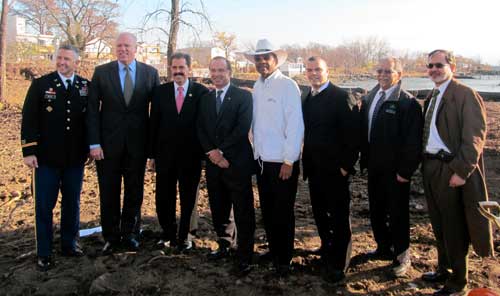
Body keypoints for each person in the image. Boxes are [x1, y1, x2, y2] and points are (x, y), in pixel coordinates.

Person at [421, 49, 494, 295]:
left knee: (454, 227)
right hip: (431, 167)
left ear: (452, 66)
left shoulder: (465, 94)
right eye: (430, 66)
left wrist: (462, 171)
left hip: (450, 169)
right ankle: (443, 269)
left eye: (439, 65)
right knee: (439, 223)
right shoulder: (434, 94)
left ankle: (458, 282)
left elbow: (475, 137)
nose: (434, 70)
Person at [87, 32, 160, 254]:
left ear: (136, 48)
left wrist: (153, 149)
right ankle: (110, 235)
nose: (123, 49)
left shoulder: (150, 73)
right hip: (107, 147)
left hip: (137, 146)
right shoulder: (101, 73)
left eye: (127, 45)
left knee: (134, 191)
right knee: (108, 191)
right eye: (119, 46)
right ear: (114, 48)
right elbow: (91, 110)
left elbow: (155, 114)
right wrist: (94, 143)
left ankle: (130, 234)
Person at [21, 44, 89, 270]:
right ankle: (44, 251)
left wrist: (91, 147)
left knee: (72, 203)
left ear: (76, 62)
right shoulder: (42, 85)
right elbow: (29, 118)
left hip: (74, 159)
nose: (62, 62)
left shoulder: (84, 86)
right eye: (59, 58)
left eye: (67, 59)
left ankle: (69, 244)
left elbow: (90, 121)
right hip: (46, 159)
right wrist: (29, 151)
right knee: (44, 206)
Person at [243, 39, 304, 276]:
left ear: (275, 60)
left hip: (282, 162)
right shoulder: (258, 86)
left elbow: (295, 125)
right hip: (262, 160)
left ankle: (285, 257)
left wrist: (290, 160)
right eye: (258, 59)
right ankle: (274, 249)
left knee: (283, 211)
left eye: (266, 58)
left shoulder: (288, 86)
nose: (261, 62)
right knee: (267, 209)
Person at [359, 57, 423, 277]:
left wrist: (405, 171)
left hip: (396, 172)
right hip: (374, 168)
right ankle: (383, 248)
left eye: (389, 71)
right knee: (377, 210)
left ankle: (402, 256)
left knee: (397, 214)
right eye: (380, 70)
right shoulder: (370, 97)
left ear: (399, 74)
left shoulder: (407, 103)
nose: (383, 75)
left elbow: (413, 142)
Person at [302, 56, 360, 282]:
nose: (313, 73)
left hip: (336, 171)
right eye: (309, 70)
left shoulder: (342, 96)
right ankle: (327, 248)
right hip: (314, 170)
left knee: (339, 216)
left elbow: (353, 136)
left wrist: (346, 167)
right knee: (320, 214)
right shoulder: (306, 96)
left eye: (318, 69)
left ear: (328, 71)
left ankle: (341, 262)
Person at [197, 56, 255, 276]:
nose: (217, 74)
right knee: (219, 206)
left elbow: (242, 127)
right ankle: (224, 244)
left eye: (221, 70)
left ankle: (245, 254)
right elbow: (200, 128)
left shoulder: (242, 96)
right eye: (213, 70)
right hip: (213, 163)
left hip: (237, 162)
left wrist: (222, 151)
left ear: (230, 72)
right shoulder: (205, 98)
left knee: (243, 209)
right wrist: (212, 153)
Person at [149, 52, 209, 251]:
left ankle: (184, 236)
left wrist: (203, 156)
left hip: (190, 157)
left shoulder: (201, 92)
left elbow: (204, 126)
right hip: (165, 156)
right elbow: (154, 124)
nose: (178, 72)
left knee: (188, 198)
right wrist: (152, 155)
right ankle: (167, 233)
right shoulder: (160, 92)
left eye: (181, 68)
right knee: (163, 197)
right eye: (174, 68)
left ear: (189, 69)